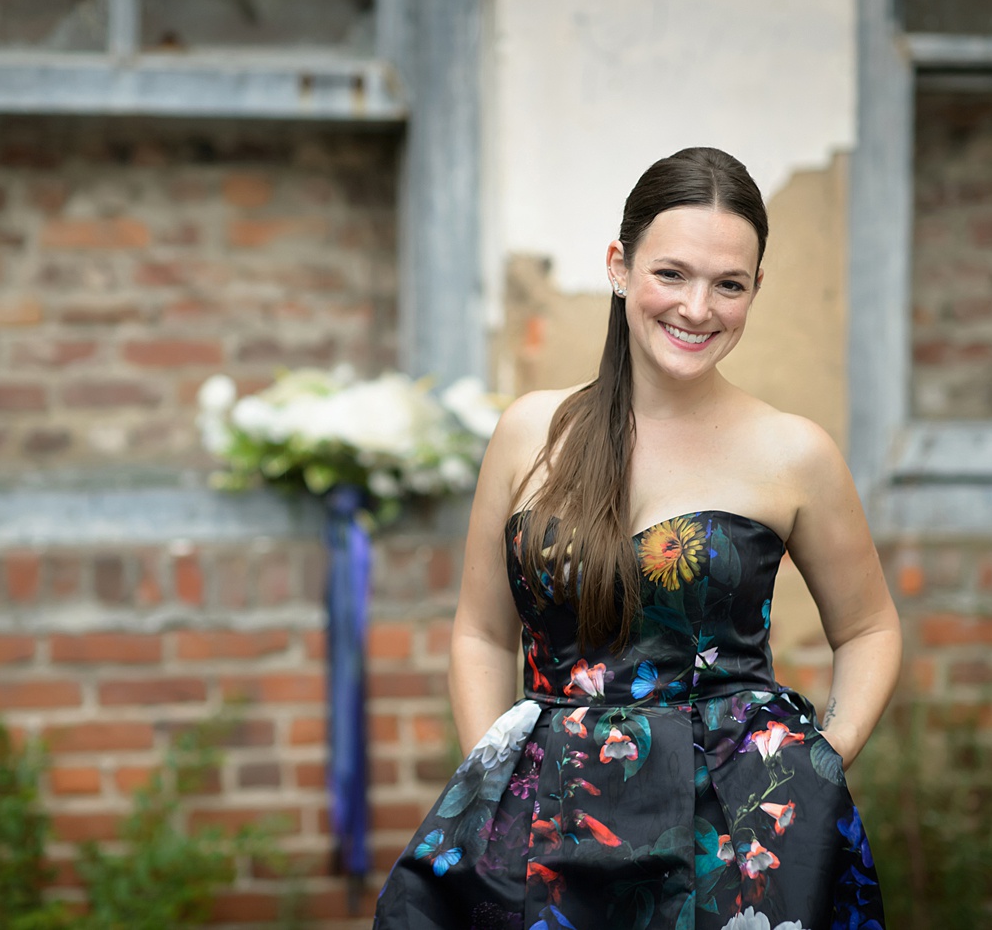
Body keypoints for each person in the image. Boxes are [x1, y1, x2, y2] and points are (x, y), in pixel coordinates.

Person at [373, 147, 901, 930]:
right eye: (671, 274)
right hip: (552, 826)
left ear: (756, 289)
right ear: (619, 266)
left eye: (730, 284)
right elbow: (482, 633)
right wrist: (498, 784)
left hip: (736, 836)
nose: (698, 308)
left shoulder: (795, 452)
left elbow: (868, 627)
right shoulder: (531, 434)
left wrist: (818, 762)